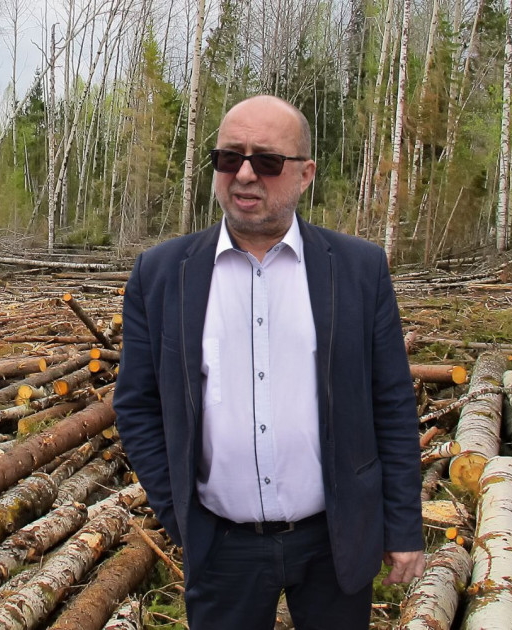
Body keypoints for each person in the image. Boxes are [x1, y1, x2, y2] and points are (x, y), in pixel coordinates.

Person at [113, 95, 425, 629]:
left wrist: (401, 527)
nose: (245, 174)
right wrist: (178, 512)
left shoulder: (358, 270)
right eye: (230, 158)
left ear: (305, 174)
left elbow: (391, 404)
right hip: (220, 545)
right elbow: (137, 405)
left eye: (267, 161)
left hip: (335, 539)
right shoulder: (162, 274)